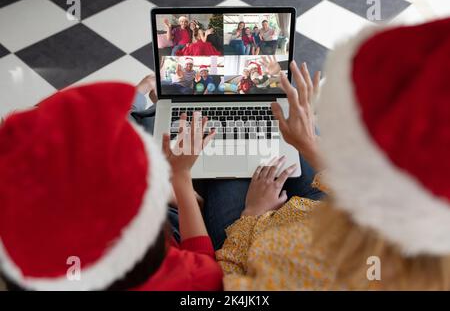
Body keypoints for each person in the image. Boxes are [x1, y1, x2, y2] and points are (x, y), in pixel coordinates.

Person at [216, 17, 450, 290]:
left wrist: (252, 215)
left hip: (258, 230)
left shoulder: (285, 259)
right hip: (317, 208)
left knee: (226, 167)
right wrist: (309, 144)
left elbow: (226, 283)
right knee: (285, 144)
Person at [0, 81, 223, 291]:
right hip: (175, 230)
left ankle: (144, 96)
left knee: (138, 121)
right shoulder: (180, 277)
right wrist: (180, 179)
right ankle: (146, 101)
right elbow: (207, 268)